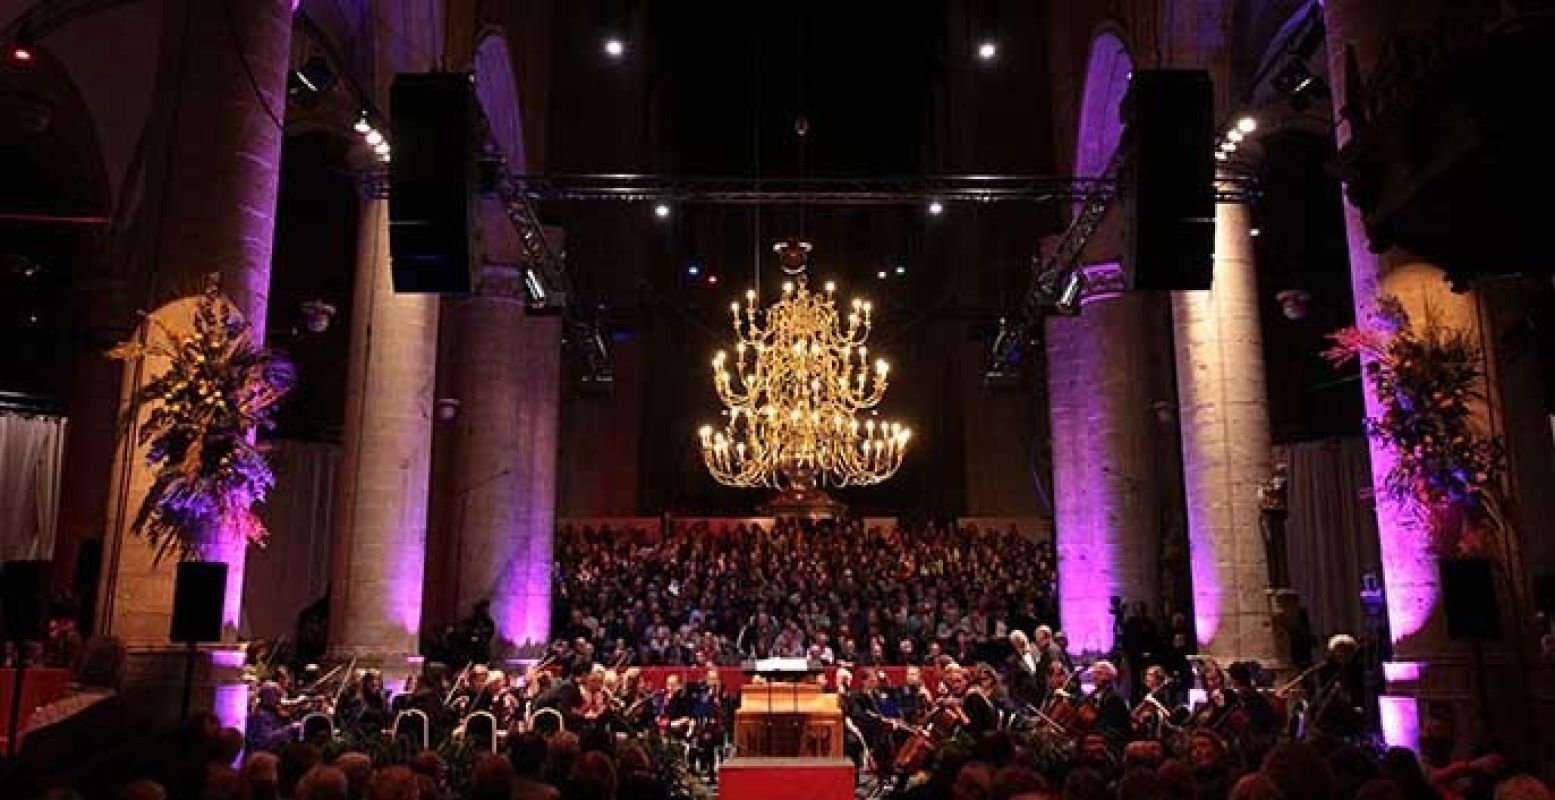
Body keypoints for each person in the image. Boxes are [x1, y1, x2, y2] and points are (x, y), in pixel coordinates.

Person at [1006, 630, 1045, 710]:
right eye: (1018, 641)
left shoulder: (1035, 649)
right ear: (1014, 644)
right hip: (1028, 701)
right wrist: (1022, 703)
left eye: (1023, 639)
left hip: (1043, 694)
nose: (1022, 642)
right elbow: (1013, 687)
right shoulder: (1012, 661)